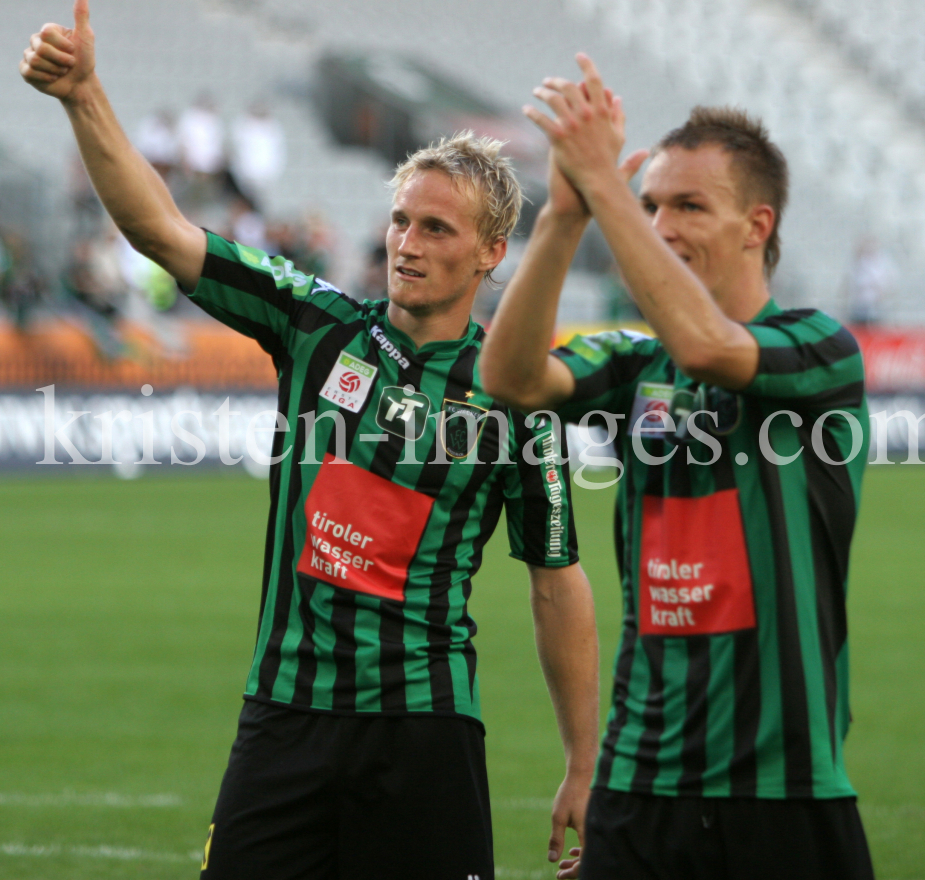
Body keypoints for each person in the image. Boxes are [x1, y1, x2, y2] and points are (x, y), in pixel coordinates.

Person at [19, 6, 600, 879]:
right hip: (283, 720)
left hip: (425, 730)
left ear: (490, 252)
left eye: (435, 229)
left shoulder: (517, 397)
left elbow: (557, 582)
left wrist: (582, 762)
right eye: (401, 220)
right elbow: (163, 233)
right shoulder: (317, 323)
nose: (405, 243)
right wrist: (84, 95)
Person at [481, 55, 873, 880]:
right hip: (640, 783)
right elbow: (509, 378)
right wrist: (562, 217)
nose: (659, 226)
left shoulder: (819, 350)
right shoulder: (633, 366)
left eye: (689, 206)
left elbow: (711, 346)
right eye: (650, 203)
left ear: (756, 226)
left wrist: (608, 189)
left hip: (783, 787)